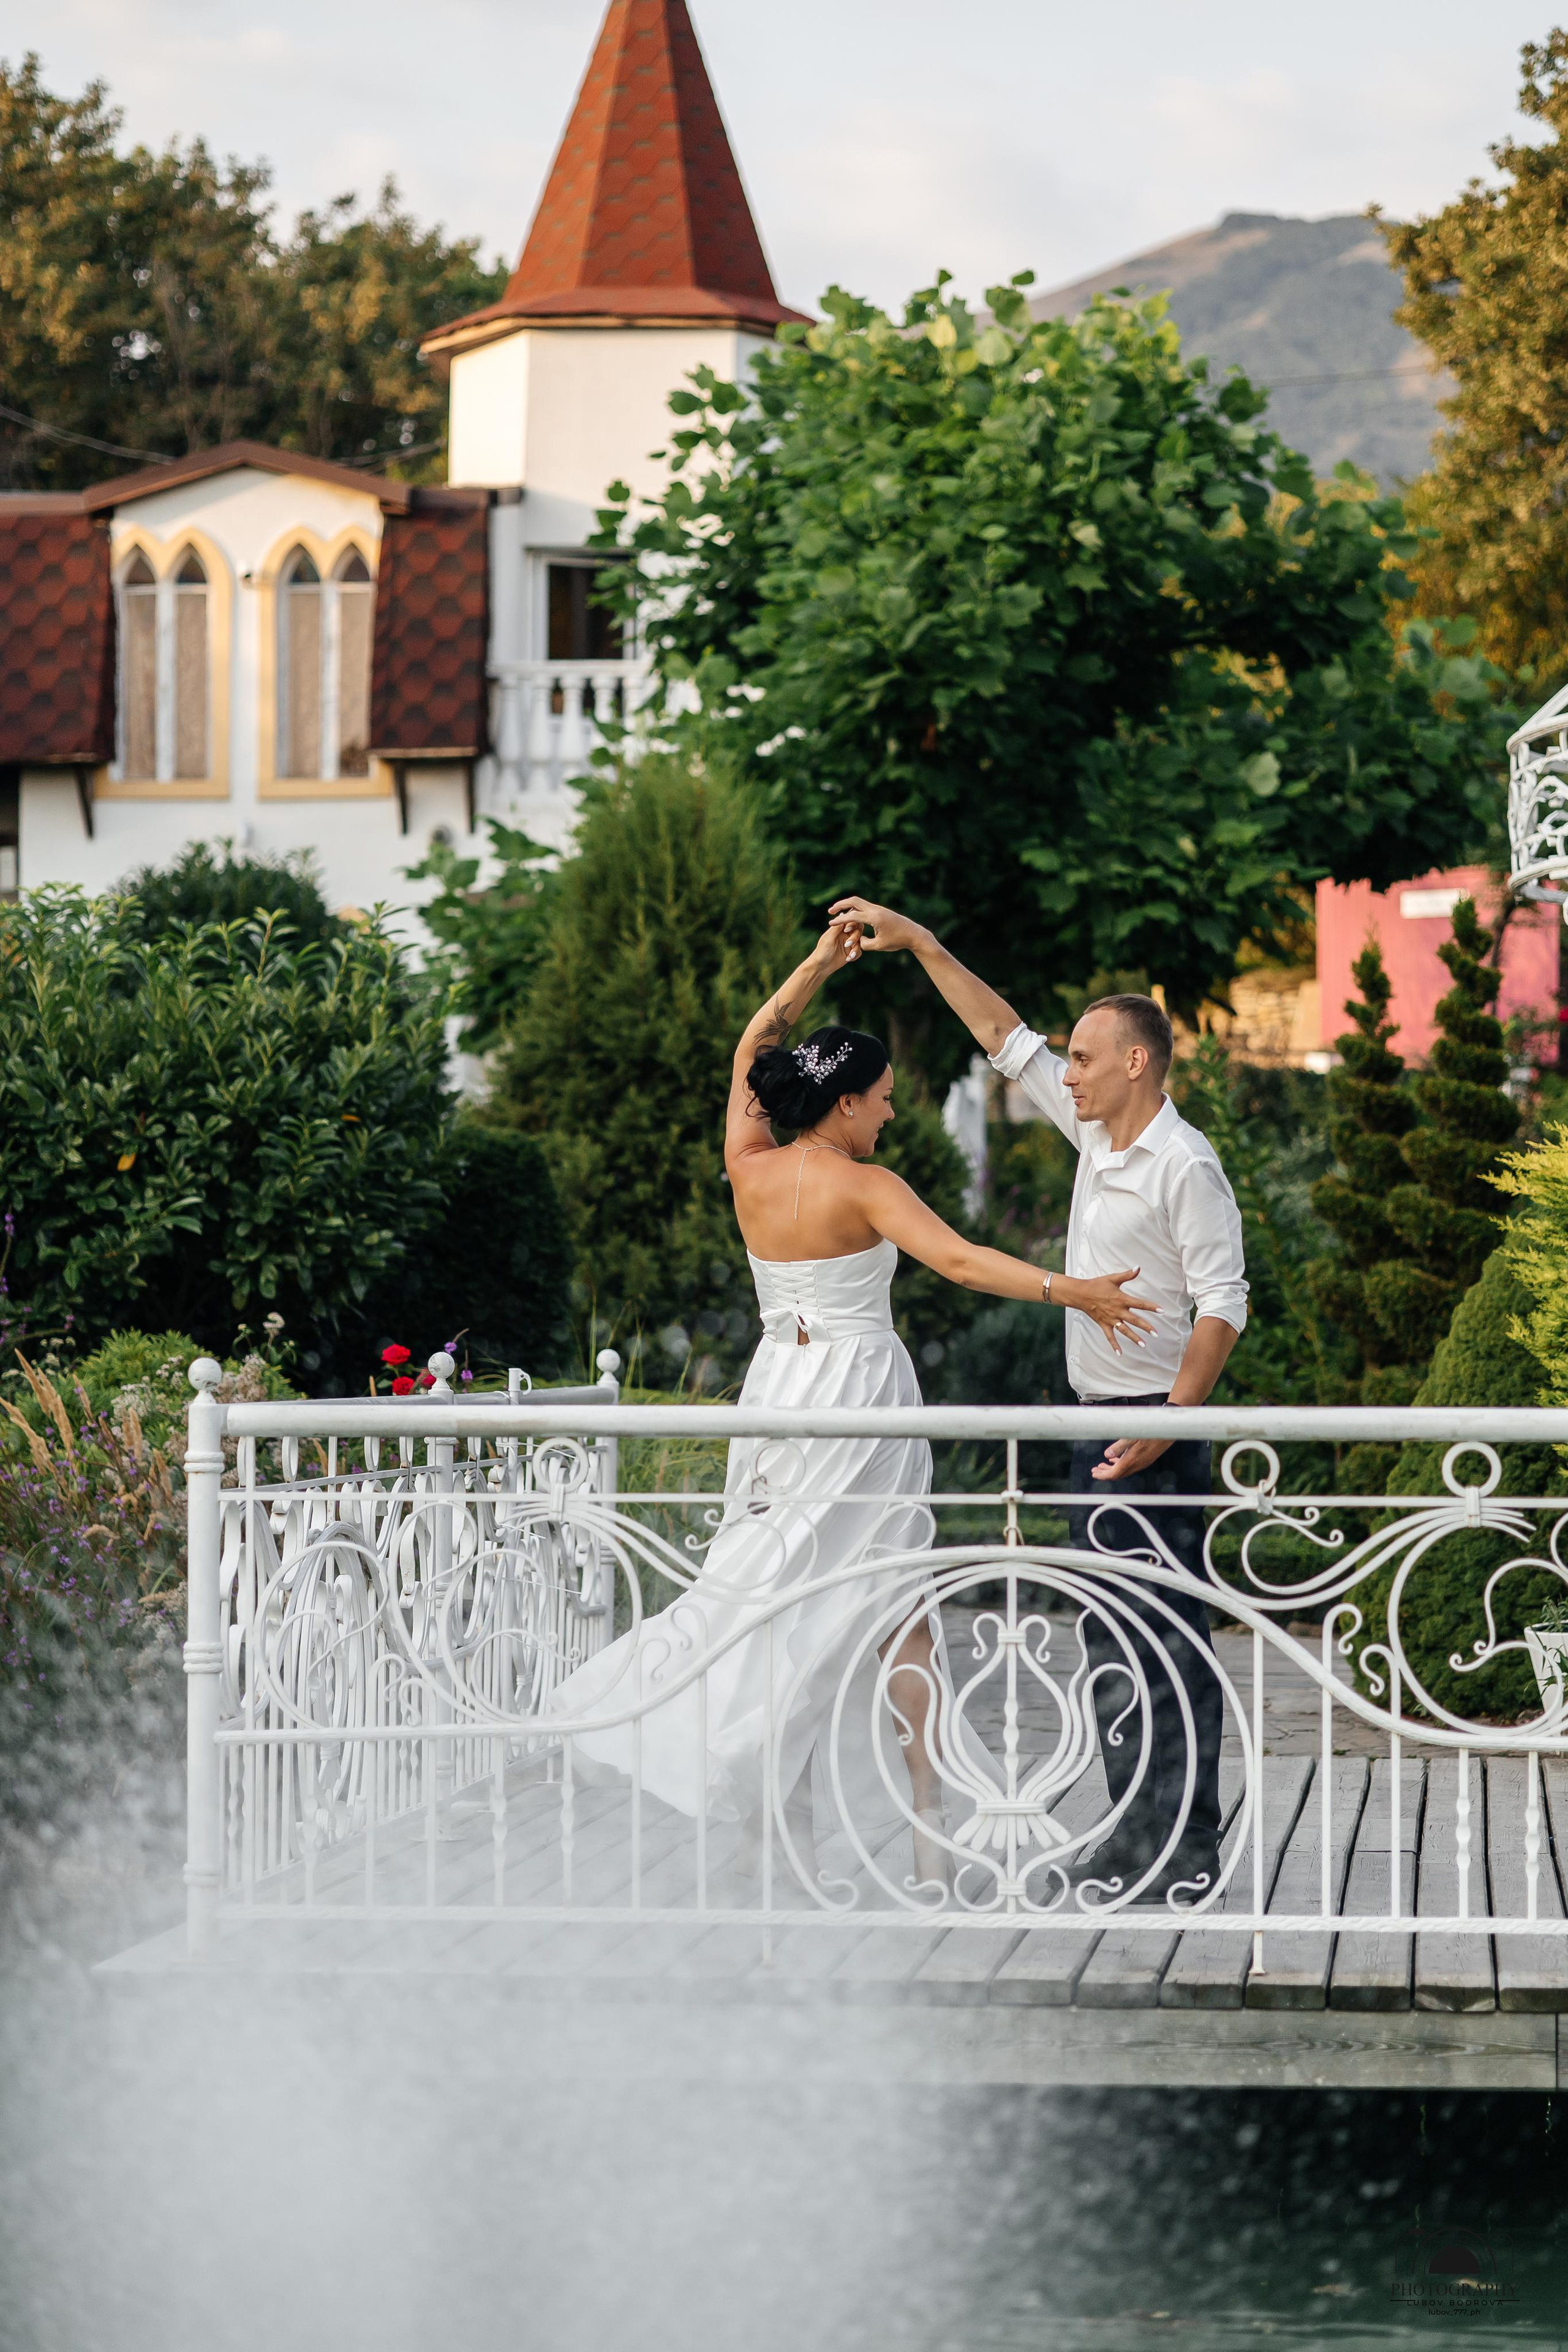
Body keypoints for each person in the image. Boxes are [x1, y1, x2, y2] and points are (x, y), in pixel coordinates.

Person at [546, 921, 1156, 1894]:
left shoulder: (750, 1163)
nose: (891, 1114)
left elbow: (754, 1049)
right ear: (843, 1101)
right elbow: (959, 1261)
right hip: (862, 1404)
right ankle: (928, 1840)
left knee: (772, 1605)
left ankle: (773, 1845)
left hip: (776, 1400)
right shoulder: (867, 1187)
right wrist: (1071, 1290)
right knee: (897, 1605)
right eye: (882, 1098)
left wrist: (817, 965)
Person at [827, 896, 1248, 1903]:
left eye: (1087, 1059)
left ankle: (1182, 1850)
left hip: (1154, 1428)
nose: (1070, 1073)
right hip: (1094, 1425)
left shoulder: (1184, 1164)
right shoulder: (1097, 1136)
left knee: (1168, 1640)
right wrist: (922, 942)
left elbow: (1224, 1302)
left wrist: (1174, 1422)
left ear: (1138, 1063)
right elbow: (1002, 1036)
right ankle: (1133, 1837)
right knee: (1110, 1635)